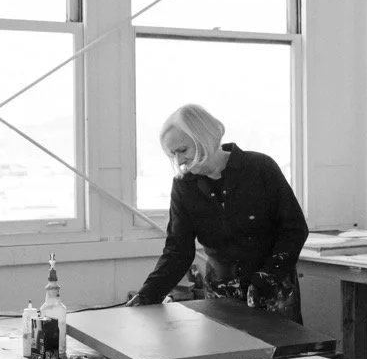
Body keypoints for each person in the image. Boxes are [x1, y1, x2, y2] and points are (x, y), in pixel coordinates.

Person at [128, 104, 309, 322]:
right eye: (173, 154)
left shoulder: (260, 168)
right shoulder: (185, 186)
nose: (179, 161)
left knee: (280, 344)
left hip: (274, 291)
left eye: (183, 150)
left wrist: (267, 277)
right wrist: (147, 295)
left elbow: (294, 229)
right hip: (221, 297)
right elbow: (178, 251)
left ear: (203, 138)